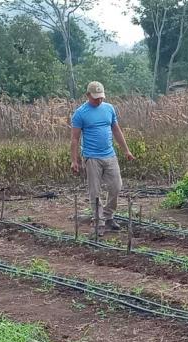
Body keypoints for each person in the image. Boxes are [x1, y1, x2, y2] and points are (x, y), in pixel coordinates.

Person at [70, 81, 135, 232]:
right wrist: (74, 161)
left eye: (101, 97)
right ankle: (98, 221)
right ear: (88, 95)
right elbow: (74, 139)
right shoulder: (80, 113)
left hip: (109, 154)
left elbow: (116, 130)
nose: (99, 100)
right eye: (95, 98)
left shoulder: (109, 109)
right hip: (91, 157)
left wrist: (126, 150)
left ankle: (108, 216)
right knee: (95, 191)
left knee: (116, 187)